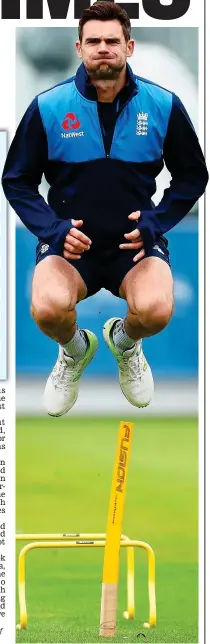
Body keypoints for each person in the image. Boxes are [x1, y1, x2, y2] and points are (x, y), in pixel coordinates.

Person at [2, 2, 208, 417]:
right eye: (93, 41)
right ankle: (74, 351)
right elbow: (16, 180)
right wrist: (52, 229)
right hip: (71, 249)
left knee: (155, 310)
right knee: (46, 307)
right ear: (79, 48)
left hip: (134, 247)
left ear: (128, 46)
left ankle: (125, 343)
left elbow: (192, 176)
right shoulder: (49, 107)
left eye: (112, 41)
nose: (103, 48)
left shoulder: (163, 104)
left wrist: (158, 220)